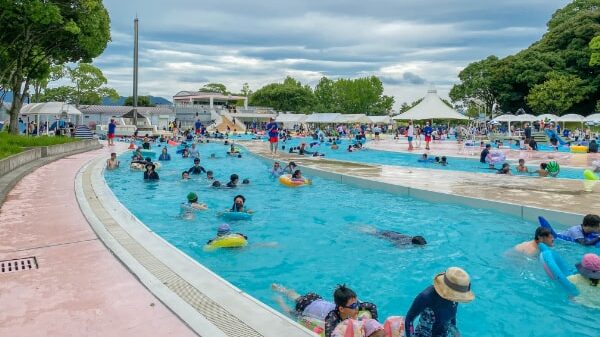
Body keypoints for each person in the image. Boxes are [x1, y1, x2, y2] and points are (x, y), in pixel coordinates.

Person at [405, 267, 474, 337]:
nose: (458, 298)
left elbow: (452, 318)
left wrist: (455, 332)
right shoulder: (426, 297)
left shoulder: (455, 298)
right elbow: (409, 319)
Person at [361, 227, 426, 247]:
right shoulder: (406, 242)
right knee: (371, 233)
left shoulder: (411, 238)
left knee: (374, 230)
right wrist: (400, 248)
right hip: (387, 235)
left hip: (392, 233)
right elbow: (395, 244)